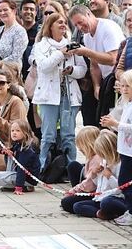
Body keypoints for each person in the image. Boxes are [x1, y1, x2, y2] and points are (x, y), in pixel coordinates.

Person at [31, 13, 87, 169]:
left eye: (64, 22)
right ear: (50, 26)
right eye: (59, 22)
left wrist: (72, 70)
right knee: (48, 135)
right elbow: (44, 66)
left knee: (68, 135)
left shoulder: (72, 45)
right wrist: (61, 53)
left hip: (69, 95)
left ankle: (71, 168)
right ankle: (42, 167)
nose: (63, 25)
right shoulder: (40, 46)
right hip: (48, 96)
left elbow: (83, 70)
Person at [69, 5, 125, 127]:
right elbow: (94, 65)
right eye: (76, 25)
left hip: (119, 80)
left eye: (80, 22)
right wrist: (97, 86)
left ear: (88, 14)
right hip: (106, 81)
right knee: (96, 117)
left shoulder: (108, 28)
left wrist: (86, 52)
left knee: (113, 122)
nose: (79, 27)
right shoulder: (87, 36)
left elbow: (113, 59)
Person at [69, 130, 126, 220]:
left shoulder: (119, 164)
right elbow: (99, 184)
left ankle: (111, 211)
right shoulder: (104, 162)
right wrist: (95, 174)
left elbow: (120, 188)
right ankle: (100, 213)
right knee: (77, 206)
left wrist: (109, 176)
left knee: (107, 202)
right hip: (100, 197)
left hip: (115, 197)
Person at [99, 69, 132, 225]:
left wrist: (116, 124)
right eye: (123, 86)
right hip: (125, 149)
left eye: (128, 86)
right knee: (125, 181)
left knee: (126, 181)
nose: (124, 89)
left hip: (130, 151)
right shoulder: (127, 103)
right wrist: (111, 123)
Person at [0, 119, 40, 194]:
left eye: (18, 131)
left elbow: (22, 168)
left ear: (25, 132)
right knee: (9, 156)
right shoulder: (18, 144)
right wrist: (4, 151)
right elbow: (10, 150)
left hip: (28, 178)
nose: (14, 133)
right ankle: (16, 185)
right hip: (22, 174)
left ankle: (24, 186)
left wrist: (18, 187)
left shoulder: (26, 149)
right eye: (12, 130)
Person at [61, 126, 102, 214]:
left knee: (67, 203)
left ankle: (99, 211)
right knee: (73, 165)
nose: (79, 149)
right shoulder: (91, 157)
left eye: (81, 146)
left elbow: (90, 184)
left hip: (94, 191)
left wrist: (73, 191)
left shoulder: (97, 159)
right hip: (88, 186)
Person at [0, 0, 29, 72]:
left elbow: (14, 57)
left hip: (7, 77)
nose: (2, 13)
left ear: (14, 11)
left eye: (5, 10)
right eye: (0, 11)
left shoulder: (20, 31)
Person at [19, 0, 40, 79]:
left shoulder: (41, 31)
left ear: (36, 13)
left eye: (32, 9)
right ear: (20, 12)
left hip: (35, 75)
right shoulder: (17, 31)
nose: (28, 11)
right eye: (25, 9)